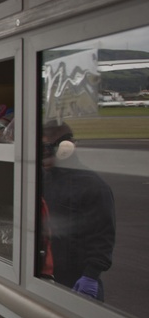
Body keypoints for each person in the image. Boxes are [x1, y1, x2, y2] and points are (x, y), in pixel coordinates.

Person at [40, 122, 116, 300]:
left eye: (48, 150)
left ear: (66, 148)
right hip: (44, 276)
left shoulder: (93, 186)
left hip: (76, 281)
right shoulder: (39, 180)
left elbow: (102, 237)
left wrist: (90, 275)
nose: (44, 157)